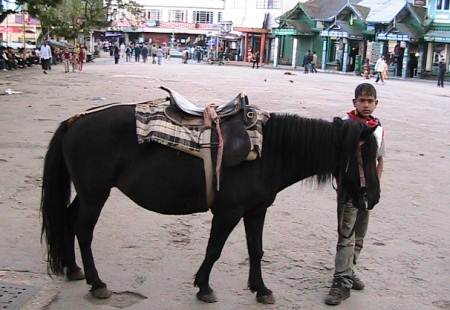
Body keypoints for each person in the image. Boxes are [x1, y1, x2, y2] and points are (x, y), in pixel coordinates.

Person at [325, 83, 385, 306]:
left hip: (368, 191)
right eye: (362, 100)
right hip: (349, 190)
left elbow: (380, 160)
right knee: (346, 236)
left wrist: (375, 185)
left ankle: (349, 271)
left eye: (370, 101)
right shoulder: (344, 125)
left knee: (360, 234)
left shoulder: (378, 127)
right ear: (354, 102)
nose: (366, 105)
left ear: (376, 104)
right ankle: (340, 282)